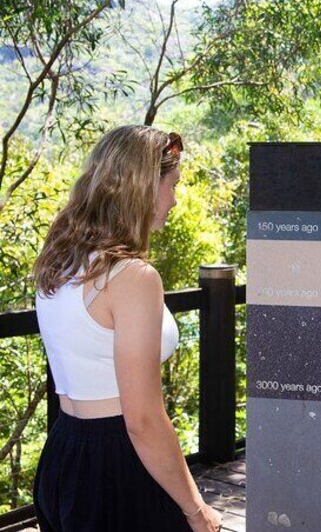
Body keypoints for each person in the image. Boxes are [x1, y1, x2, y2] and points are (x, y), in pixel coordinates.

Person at [32, 126, 222, 532]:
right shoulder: (132, 277)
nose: (175, 198)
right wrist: (196, 508)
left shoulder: (59, 263)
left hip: (63, 451)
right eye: (173, 185)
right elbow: (143, 419)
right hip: (117, 465)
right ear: (144, 188)